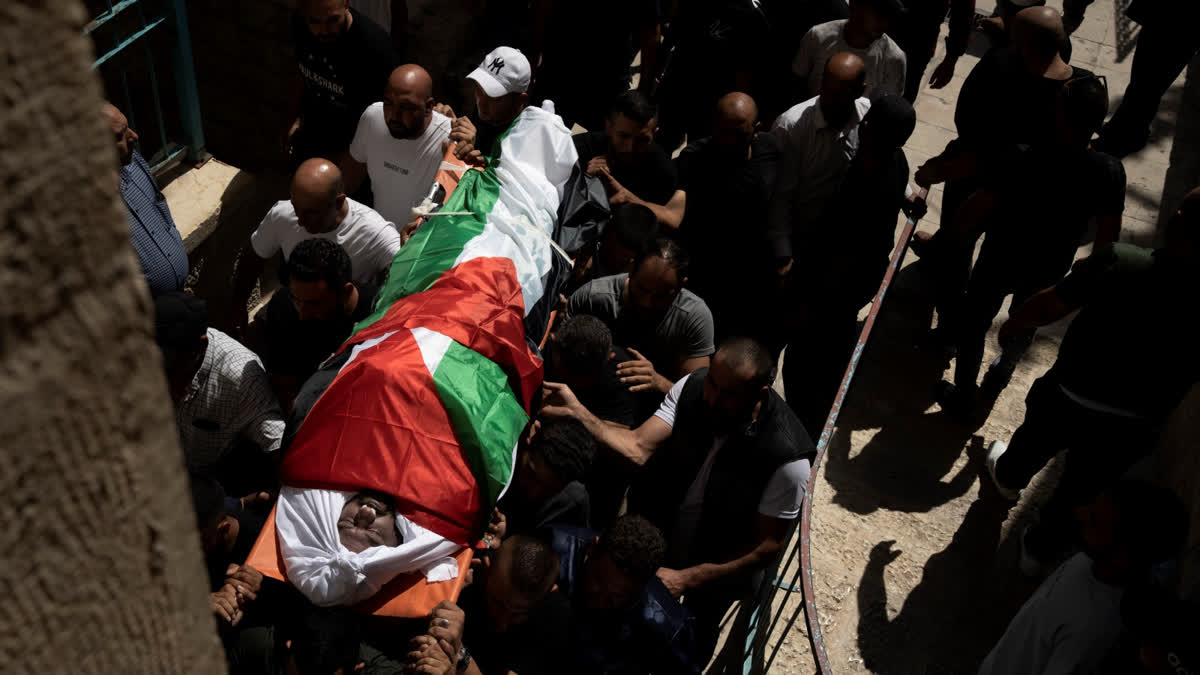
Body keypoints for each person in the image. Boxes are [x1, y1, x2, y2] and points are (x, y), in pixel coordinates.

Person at [540, 337, 816, 661]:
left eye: (728, 394)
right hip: (657, 537)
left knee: (690, 639)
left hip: (714, 569)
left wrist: (689, 578)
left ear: (760, 394)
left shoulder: (788, 458)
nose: (712, 398)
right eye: (712, 383)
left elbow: (767, 546)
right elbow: (638, 447)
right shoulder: (691, 388)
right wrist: (579, 413)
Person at [985, 187, 1200, 571]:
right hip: (1133, 422)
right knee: (1085, 486)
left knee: (1034, 440)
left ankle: (1008, 478)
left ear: (1179, 220)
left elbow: (1052, 303)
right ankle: (1039, 549)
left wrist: (1016, 321)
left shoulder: (1122, 261)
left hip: (1070, 393)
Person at [937, 75, 1123, 416]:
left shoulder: (1023, 157)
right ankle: (998, 377)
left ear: (1062, 116)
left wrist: (946, 238)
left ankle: (965, 395)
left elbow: (978, 205)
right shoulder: (1109, 171)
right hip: (1049, 267)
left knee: (975, 323)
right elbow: (1108, 238)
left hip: (1000, 259)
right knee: (1025, 326)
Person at [914, 6, 1090, 349]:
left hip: (979, 181)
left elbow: (973, 137)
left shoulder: (1001, 68)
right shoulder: (1079, 84)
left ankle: (949, 328)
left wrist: (941, 168)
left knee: (958, 248)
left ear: (1022, 44)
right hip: (1027, 205)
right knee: (987, 275)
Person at [782, 94, 917, 433]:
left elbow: (842, 255)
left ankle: (802, 426)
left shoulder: (864, 185)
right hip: (858, 282)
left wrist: (810, 305)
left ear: (868, 127)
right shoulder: (895, 160)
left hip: (832, 288)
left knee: (807, 363)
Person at [979, 481, 1188, 675]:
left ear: (1123, 555)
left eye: (1095, 521)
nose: (1080, 513)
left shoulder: (1090, 632)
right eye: (1091, 506)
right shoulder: (1096, 560)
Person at [230, 159, 400, 332]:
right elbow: (254, 256)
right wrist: (238, 304)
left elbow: (408, 272)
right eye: (296, 207)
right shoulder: (283, 214)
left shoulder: (375, 232)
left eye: (312, 213)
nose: (300, 221)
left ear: (339, 202)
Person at [675, 92, 782, 347]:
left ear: (756, 130)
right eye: (723, 132)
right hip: (707, 272)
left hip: (752, 277)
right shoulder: (693, 160)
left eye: (739, 134)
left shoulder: (770, 151)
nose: (729, 142)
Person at [155, 292, 285, 481]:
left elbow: (277, 444)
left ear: (200, 347)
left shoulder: (241, 378)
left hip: (210, 482)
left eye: (172, 365)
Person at [550, 515, 704, 675]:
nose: (601, 599)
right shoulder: (553, 549)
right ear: (592, 548)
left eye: (617, 595)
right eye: (599, 580)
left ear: (641, 587)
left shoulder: (666, 626)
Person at [568, 239, 714, 398]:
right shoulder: (593, 298)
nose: (647, 302)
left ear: (681, 287)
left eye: (661, 295)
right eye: (642, 289)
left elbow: (699, 399)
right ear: (631, 270)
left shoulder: (693, 317)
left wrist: (659, 383)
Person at [769, 53, 870, 280]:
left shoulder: (865, 113)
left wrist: (907, 194)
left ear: (859, 91)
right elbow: (779, 195)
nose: (829, 100)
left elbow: (877, 155)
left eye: (839, 95)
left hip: (836, 234)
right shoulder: (792, 127)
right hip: (797, 234)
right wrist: (783, 253)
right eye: (827, 90)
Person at [417, 535, 570, 675]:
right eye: (498, 603)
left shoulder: (555, 618)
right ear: (486, 570)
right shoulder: (462, 582)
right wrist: (445, 594)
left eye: (518, 613)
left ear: (548, 595)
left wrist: (460, 656)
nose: (503, 623)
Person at [263, 238, 379, 412]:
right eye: (296, 299)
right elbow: (285, 388)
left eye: (314, 304)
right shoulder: (283, 309)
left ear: (345, 292)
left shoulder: (379, 313)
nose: (302, 313)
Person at [653, 0, 773, 152]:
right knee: (662, 143)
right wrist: (659, 66)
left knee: (699, 150)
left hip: (712, 101)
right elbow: (674, 33)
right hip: (679, 87)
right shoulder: (692, 3)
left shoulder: (751, 15)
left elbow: (750, 70)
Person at [288, 0, 398, 165]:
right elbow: (300, 71)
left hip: (353, 149)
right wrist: (294, 118)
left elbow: (381, 119)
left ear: (346, 4)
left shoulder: (374, 48)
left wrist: (351, 163)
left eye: (332, 20)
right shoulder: (301, 24)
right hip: (311, 134)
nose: (324, 31)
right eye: (315, 22)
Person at [341, 65, 453, 226]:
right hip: (380, 235)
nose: (394, 115)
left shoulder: (448, 138)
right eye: (388, 102)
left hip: (419, 243)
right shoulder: (373, 117)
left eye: (406, 106)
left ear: (428, 107)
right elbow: (349, 176)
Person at [529, 0, 661, 132]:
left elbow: (650, 32)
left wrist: (644, 91)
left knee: (607, 145)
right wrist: (531, 62)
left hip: (608, 83)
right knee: (538, 139)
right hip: (558, 73)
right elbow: (544, 8)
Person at [1093, 1, 1200, 158]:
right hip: (1179, 20)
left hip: (1177, 18)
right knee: (1148, 83)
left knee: (1146, 83)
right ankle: (1129, 132)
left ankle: (1118, 139)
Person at [105, 102, 188, 296]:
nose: (134, 136)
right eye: (120, 136)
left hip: (180, 298)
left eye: (128, 128)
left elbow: (162, 214)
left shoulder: (135, 163)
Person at [573, 91, 685, 228]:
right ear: (608, 127)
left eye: (642, 140)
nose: (630, 147)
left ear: (654, 133)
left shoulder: (662, 171)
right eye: (623, 136)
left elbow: (664, 222)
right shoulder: (579, 150)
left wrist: (628, 200)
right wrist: (584, 182)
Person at [791, 0, 908, 101]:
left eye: (890, 16)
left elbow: (888, 108)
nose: (885, 23)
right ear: (855, 4)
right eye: (879, 13)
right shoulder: (818, 36)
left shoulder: (894, 59)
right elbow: (797, 82)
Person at [499, 418, 598, 535]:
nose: (533, 492)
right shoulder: (497, 452)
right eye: (531, 474)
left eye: (549, 490)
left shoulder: (571, 503)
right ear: (531, 434)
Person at [545, 315, 638, 428]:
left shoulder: (622, 372)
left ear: (610, 357)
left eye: (583, 375)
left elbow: (621, 431)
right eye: (565, 372)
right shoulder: (540, 350)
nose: (572, 384)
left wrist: (574, 414)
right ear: (553, 340)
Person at [890, 0, 977, 101]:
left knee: (900, 98)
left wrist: (951, 59)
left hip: (916, 43)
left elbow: (963, 13)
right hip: (880, 28)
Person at [569, 203, 660, 292]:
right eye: (624, 256)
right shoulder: (581, 243)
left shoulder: (631, 278)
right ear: (610, 237)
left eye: (631, 258)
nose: (628, 261)